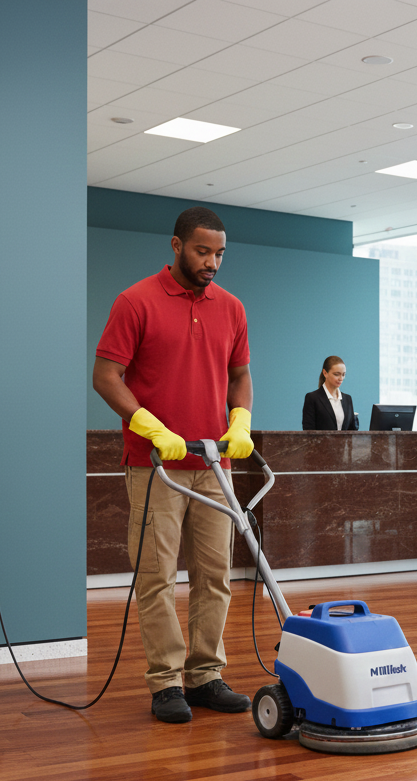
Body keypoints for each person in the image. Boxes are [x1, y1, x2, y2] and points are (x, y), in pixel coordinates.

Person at [92, 207, 255, 723]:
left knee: (215, 574)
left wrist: (241, 421)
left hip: (212, 463)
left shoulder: (231, 308)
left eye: (220, 254)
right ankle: (166, 682)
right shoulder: (135, 301)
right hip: (155, 462)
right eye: (203, 251)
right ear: (177, 246)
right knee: (156, 576)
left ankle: (205, 675)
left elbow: (240, 376)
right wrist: (150, 426)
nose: (212, 262)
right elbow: (106, 376)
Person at [302, 356, 358, 430]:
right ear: (325, 373)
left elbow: (351, 430)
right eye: (336, 374)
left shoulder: (348, 399)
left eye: (343, 374)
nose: (341, 378)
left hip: (344, 442)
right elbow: (308, 431)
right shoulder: (312, 398)